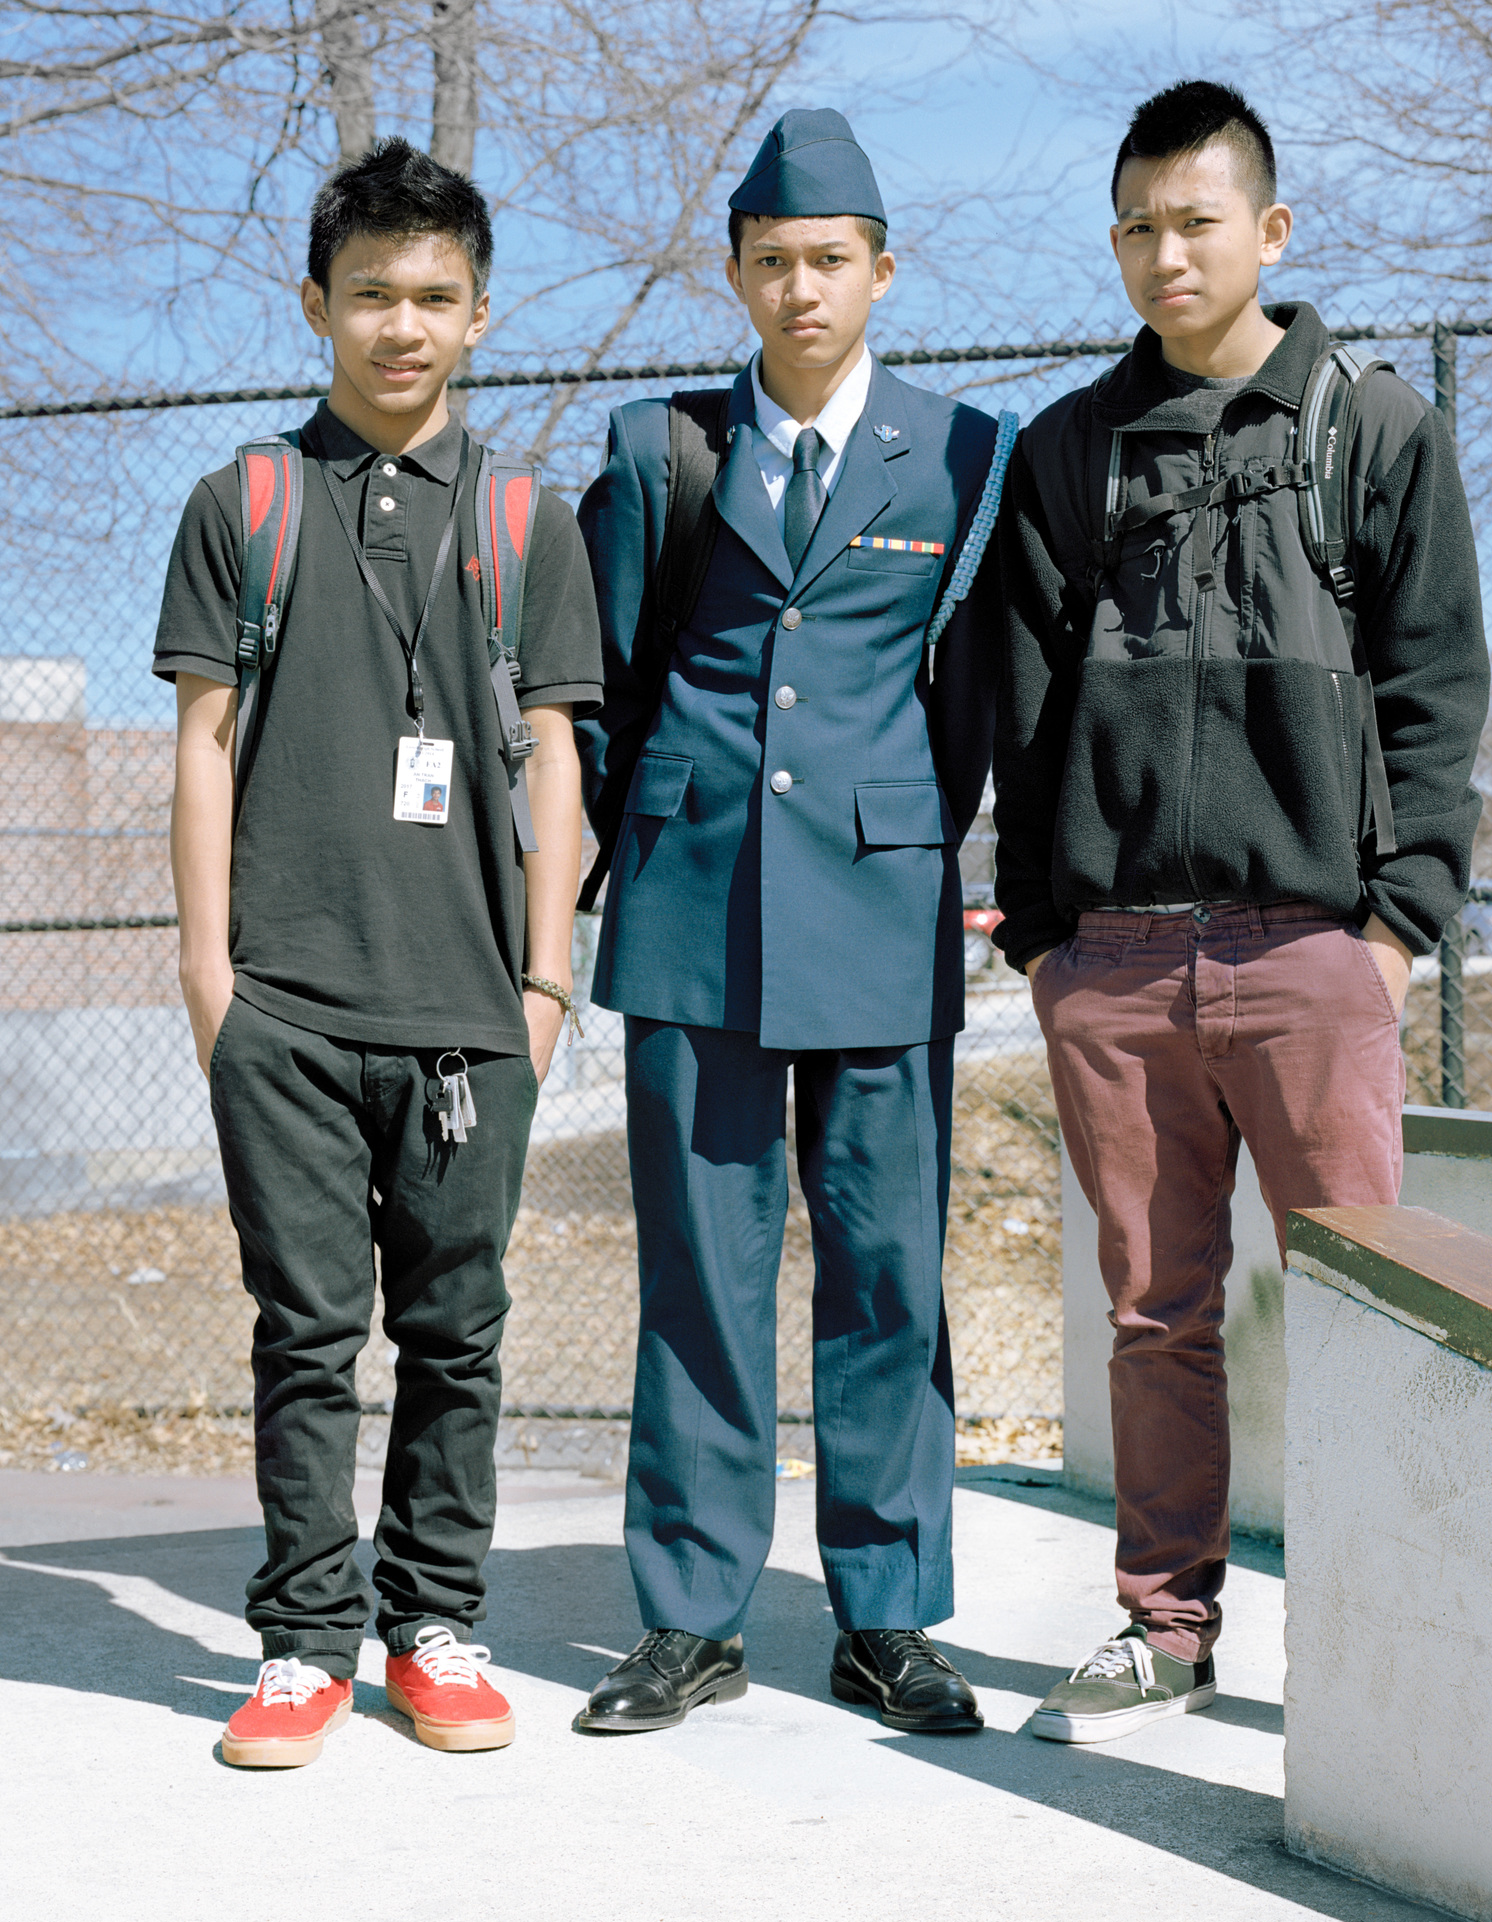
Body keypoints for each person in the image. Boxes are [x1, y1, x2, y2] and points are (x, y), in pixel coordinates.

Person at [990, 81, 1490, 1741]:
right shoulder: (1067, 452)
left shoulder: (1372, 429)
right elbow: (1023, 714)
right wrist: (1046, 940)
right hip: (1118, 964)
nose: (1165, 253)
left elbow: (1435, 691)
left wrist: (1396, 931)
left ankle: (1386, 1650)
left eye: (1196, 221)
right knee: (1155, 1318)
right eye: (1136, 225)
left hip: (1311, 955)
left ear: (1270, 231)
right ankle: (1164, 1628)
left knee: (1365, 1310)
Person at [154, 137, 603, 1768]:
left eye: (431, 296)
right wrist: (211, 978)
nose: (399, 326)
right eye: (369, 295)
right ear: (316, 305)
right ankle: (301, 1645)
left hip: (474, 1014)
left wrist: (543, 982)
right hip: (282, 1008)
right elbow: (203, 750)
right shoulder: (246, 506)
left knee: (457, 1335)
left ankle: (434, 1625)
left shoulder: (526, 521)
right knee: (305, 1334)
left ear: (480, 314)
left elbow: (557, 760)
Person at [569, 109, 1004, 1736]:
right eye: (773, 262)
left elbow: (970, 698)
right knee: (703, 1272)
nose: (801, 289)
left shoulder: (965, 456)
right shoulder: (659, 451)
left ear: (883, 271)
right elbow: (603, 692)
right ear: (737, 274)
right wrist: (651, 837)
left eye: (830, 261)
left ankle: (888, 1615)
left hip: (882, 915)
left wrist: (898, 827)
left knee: (889, 1271)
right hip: (694, 914)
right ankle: (691, 1618)